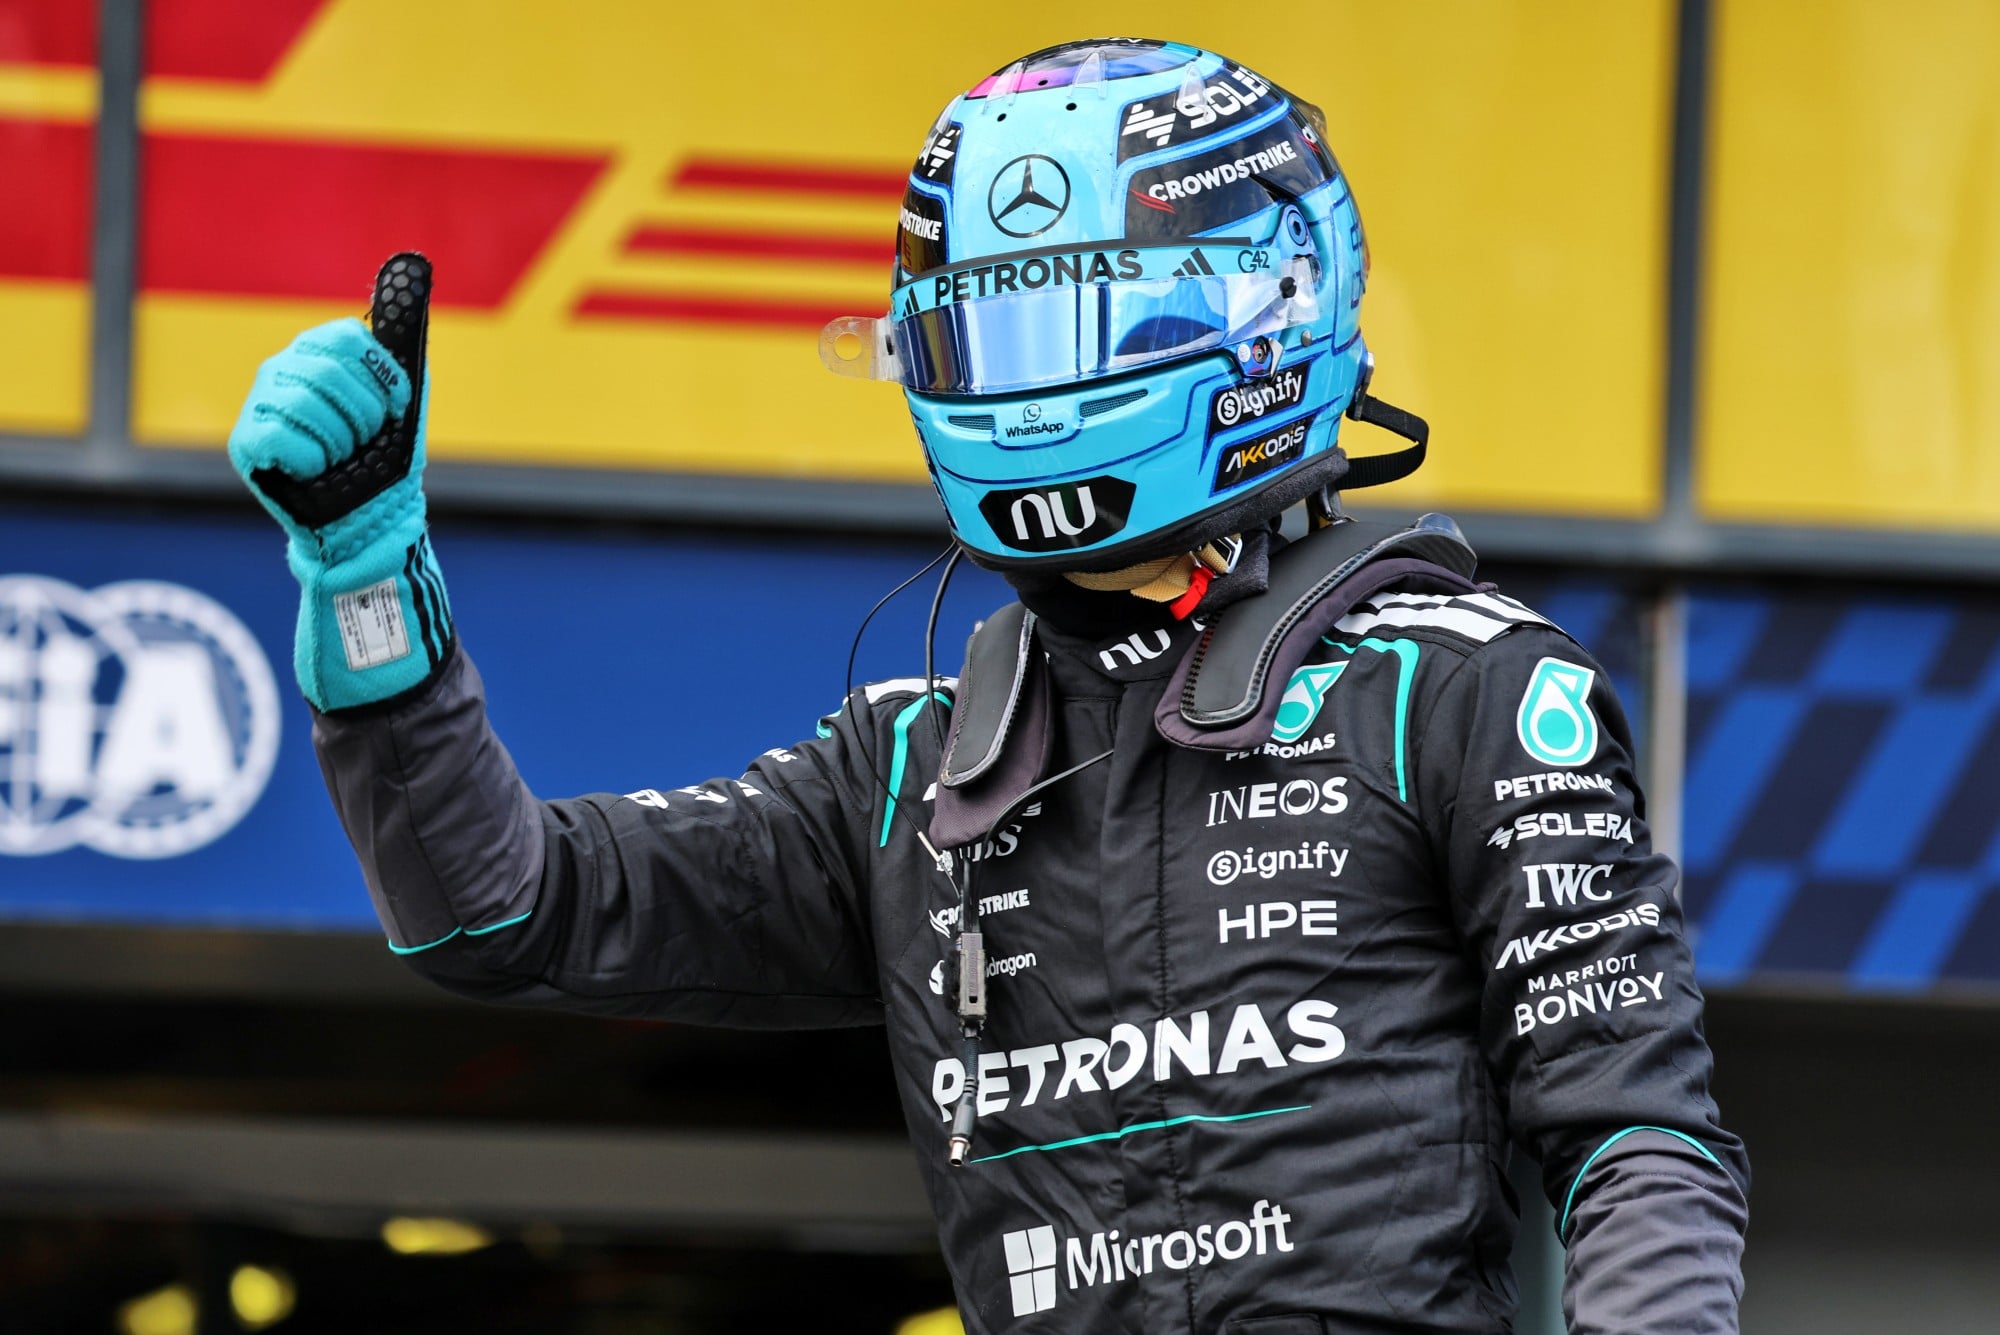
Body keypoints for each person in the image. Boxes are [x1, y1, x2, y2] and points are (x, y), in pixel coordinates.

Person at [227, 39, 1747, 1335]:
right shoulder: (906, 777)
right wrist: (366, 585)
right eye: (986, 338)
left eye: (1082, 331)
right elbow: (500, 911)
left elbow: (1632, 1139)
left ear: (1263, 320)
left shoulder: (1461, 692)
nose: (1029, 389)